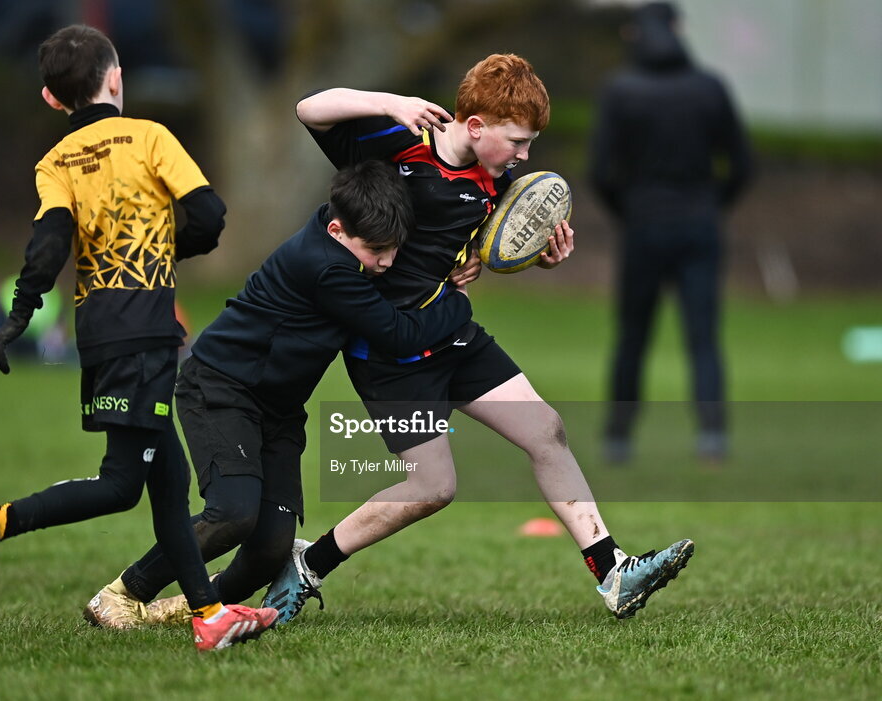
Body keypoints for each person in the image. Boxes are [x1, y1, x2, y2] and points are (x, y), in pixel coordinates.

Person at [261, 53, 694, 624]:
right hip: (390, 349)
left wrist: (541, 260)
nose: (523, 155)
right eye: (516, 141)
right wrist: (387, 101)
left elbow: (487, 247)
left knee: (547, 431)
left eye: (529, 144)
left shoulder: (501, 182)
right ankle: (307, 564)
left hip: (452, 330)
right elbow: (308, 108)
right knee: (433, 487)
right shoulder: (400, 141)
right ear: (473, 127)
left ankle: (612, 571)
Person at [0, 24, 278, 652]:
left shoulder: (54, 163)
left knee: (167, 484)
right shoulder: (151, 136)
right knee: (124, 483)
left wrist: (18, 315)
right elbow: (209, 217)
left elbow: (47, 246)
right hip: (144, 334)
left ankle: (208, 615)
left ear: (52, 99)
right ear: (116, 78)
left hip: (99, 338)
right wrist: (164, 247)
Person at [81, 160, 475, 629]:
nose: (387, 262)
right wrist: (456, 301)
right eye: (377, 251)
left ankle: (181, 612)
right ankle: (120, 594)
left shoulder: (346, 242)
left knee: (270, 549)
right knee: (233, 513)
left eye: (395, 248)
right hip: (221, 389)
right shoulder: (326, 267)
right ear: (336, 229)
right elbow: (399, 335)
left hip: (280, 410)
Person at [589, 2, 753, 463]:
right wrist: (710, 206)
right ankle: (712, 435)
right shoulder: (710, 88)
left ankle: (618, 437)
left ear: (632, 34)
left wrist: (631, 211)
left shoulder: (621, 91)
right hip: (700, 226)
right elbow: (742, 165)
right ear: (679, 29)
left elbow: (601, 171)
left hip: (643, 226)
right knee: (703, 335)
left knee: (632, 335)